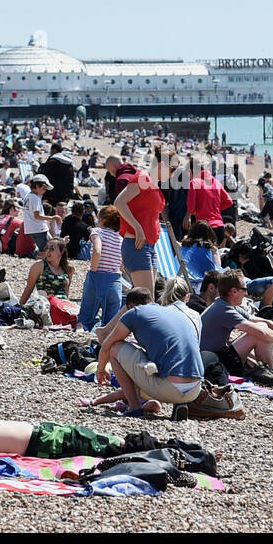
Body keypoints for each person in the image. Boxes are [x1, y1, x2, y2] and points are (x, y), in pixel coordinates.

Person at [0, 386, 139, 457]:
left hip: (43, 435)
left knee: (94, 438)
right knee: (102, 445)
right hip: (42, 444)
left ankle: (144, 446)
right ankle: (148, 449)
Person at [95, 301, 204, 417]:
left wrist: (101, 369)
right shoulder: (176, 314)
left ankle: (134, 406)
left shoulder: (134, 313)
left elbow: (107, 346)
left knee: (114, 348)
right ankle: (180, 403)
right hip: (195, 389)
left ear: (130, 306)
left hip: (169, 388)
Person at [200, 270, 273, 387]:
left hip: (217, 356)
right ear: (234, 291)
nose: (246, 293)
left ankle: (272, 371)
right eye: (244, 289)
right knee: (258, 334)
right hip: (213, 363)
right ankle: (272, 372)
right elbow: (261, 332)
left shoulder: (223, 304)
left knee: (261, 328)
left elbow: (264, 321)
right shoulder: (224, 310)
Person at [106, 155, 165, 294]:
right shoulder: (141, 178)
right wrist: (137, 227)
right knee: (145, 299)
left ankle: (116, 317)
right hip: (137, 242)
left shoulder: (148, 181)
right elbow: (119, 203)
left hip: (147, 243)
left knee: (142, 299)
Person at [78, 205, 124, 332]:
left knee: (86, 315)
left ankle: (82, 329)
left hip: (97, 275)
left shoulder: (97, 232)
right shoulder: (120, 238)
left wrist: (93, 270)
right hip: (115, 279)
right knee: (111, 321)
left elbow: (97, 251)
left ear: (103, 219)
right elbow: (123, 262)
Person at [19, 238, 73, 305]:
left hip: (62, 306)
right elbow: (29, 289)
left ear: (61, 251)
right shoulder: (39, 266)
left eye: (52, 248)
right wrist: (20, 307)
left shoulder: (68, 268)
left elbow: (66, 292)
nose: (48, 251)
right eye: (46, 248)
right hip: (45, 306)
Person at [21, 174, 58, 256]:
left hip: (30, 228)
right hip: (39, 228)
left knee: (46, 248)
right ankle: (43, 266)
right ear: (37, 186)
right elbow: (37, 216)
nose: (45, 190)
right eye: (44, 188)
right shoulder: (35, 198)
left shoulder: (27, 196)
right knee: (46, 251)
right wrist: (52, 218)